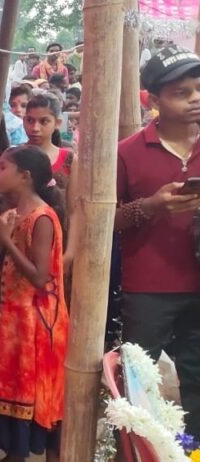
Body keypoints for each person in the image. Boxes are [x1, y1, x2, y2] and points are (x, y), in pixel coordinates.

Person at [115, 45, 200, 436]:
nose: (195, 98)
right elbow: (103, 223)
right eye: (182, 92)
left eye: (198, 89)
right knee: (139, 386)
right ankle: (138, 452)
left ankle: (193, 451)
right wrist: (150, 206)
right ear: (153, 101)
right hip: (148, 289)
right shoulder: (127, 153)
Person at [0, 145, 68, 462]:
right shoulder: (16, 212)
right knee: (7, 385)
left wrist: (5, 239)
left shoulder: (41, 217)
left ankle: (19, 453)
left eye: (3, 167)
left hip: (33, 323)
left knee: (25, 389)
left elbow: (39, 277)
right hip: (12, 319)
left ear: (25, 176)